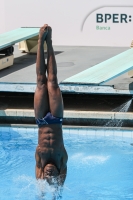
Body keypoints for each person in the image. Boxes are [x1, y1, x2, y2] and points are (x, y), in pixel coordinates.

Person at [34, 24, 68, 186]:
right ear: (58, 172)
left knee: (41, 81)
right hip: (56, 119)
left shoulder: (39, 161)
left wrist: (41, 194)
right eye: (51, 175)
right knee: (52, 81)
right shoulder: (62, 158)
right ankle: (50, 42)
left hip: (41, 120)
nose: (48, 172)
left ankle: (41, 41)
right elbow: (61, 182)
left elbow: (39, 183)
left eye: (46, 175)